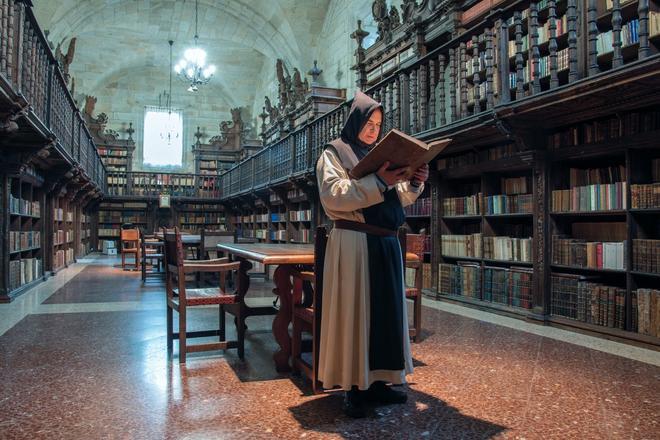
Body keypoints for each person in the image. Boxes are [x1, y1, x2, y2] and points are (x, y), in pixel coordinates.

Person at [316, 90, 429, 418]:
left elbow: (395, 198)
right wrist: (378, 180)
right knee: (357, 315)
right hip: (355, 242)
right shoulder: (335, 153)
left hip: (386, 244)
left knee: (385, 318)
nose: (373, 129)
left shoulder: (382, 156)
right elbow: (333, 196)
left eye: (379, 124)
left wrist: (414, 183)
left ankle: (380, 383)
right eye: (369, 122)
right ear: (356, 121)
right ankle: (354, 389)